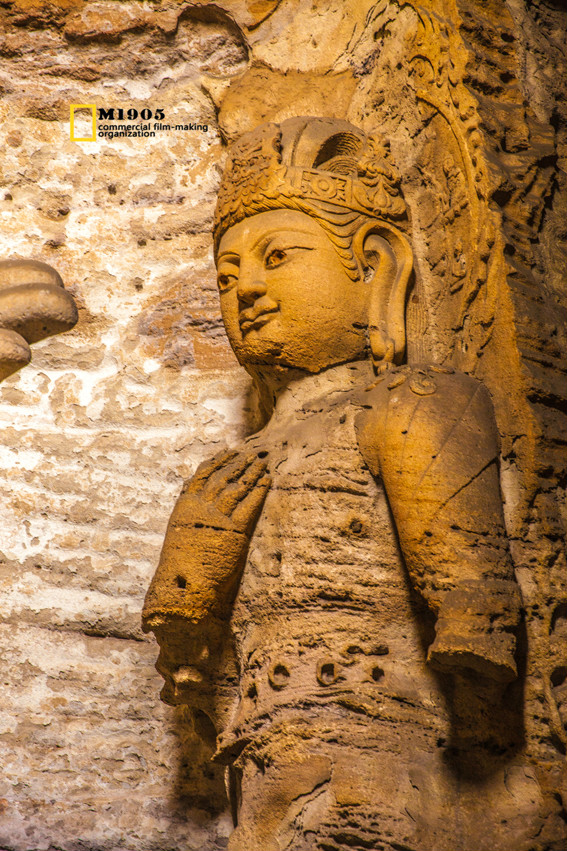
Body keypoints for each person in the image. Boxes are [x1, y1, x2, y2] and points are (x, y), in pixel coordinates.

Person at [143, 118, 525, 851]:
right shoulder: (228, 469)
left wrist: (470, 636)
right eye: (226, 277)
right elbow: (194, 683)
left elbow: (474, 615)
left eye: (278, 257)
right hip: (259, 763)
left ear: (374, 267)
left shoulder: (411, 401)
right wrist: (188, 581)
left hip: (389, 752)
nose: (246, 288)